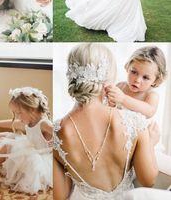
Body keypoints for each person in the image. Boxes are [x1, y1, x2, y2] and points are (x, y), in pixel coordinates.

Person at [54, 43, 159, 200]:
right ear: (108, 77)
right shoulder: (135, 123)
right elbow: (148, 180)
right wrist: (150, 143)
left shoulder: (55, 132)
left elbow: (60, 196)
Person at [105, 46, 167, 118]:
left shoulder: (151, 95)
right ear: (128, 67)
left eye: (145, 77)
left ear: (156, 80)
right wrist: (110, 97)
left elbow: (149, 111)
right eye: (134, 72)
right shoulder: (120, 86)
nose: (137, 80)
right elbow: (111, 110)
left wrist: (123, 99)